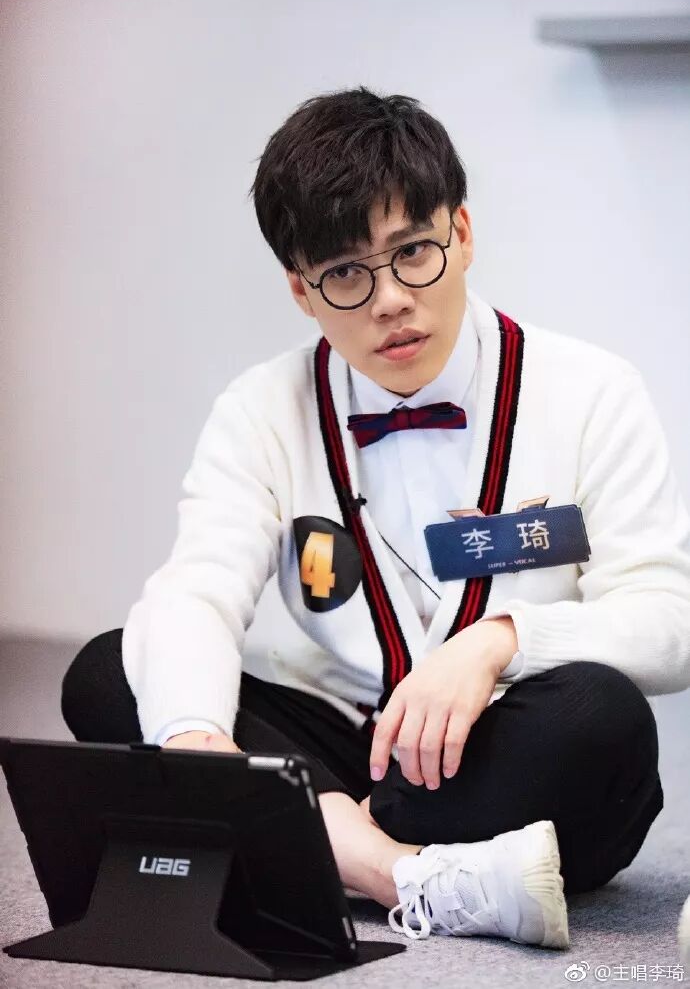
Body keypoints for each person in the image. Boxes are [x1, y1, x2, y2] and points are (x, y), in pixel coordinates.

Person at [61, 86, 690, 949]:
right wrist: (201, 745)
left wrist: (501, 639)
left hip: (496, 743)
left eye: (413, 252)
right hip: (342, 738)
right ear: (300, 289)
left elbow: (669, 619)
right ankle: (403, 873)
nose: (390, 299)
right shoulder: (260, 408)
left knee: (603, 718)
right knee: (112, 672)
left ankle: (289, 837)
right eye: (347, 273)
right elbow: (195, 590)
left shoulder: (592, 390)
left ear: (462, 233)